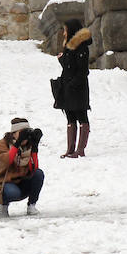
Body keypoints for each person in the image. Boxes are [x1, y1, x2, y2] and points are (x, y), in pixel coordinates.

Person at [0, 118, 45, 218]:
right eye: (22, 133)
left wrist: (35, 147)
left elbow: (34, 169)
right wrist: (17, 144)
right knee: (13, 192)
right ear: (13, 133)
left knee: (38, 173)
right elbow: (6, 162)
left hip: (22, 182)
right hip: (5, 183)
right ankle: (3, 206)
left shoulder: (28, 145)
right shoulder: (4, 143)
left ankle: (31, 205)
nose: (25, 137)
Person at [56, 19, 92, 158]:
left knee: (81, 116)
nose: (64, 33)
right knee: (70, 117)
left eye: (65, 30)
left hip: (78, 88)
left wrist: (73, 84)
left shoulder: (81, 47)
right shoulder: (69, 47)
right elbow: (68, 67)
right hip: (68, 87)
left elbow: (82, 71)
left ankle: (80, 150)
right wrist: (62, 59)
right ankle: (70, 149)